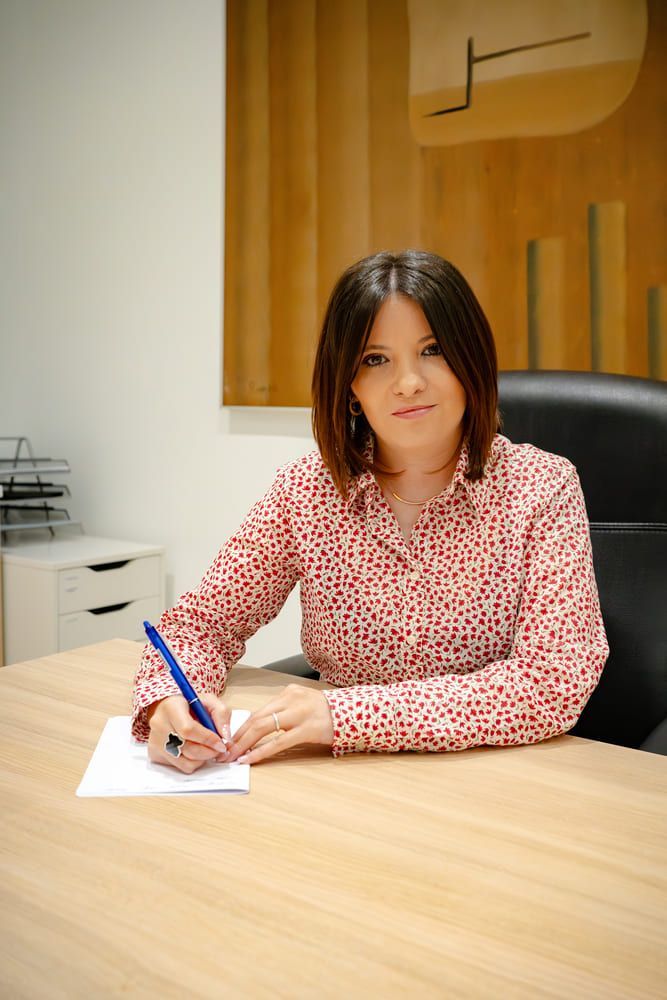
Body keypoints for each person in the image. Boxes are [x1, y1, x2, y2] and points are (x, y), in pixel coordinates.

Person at [131, 250, 609, 770]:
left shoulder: (541, 487)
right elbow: (201, 624)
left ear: (471, 360)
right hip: (342, 785)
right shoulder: (307, 491)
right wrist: (165, 704)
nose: (408, 382)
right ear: (351, 386)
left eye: (433, 350)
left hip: (489, 779)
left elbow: (555, 680)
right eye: (375, 359)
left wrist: (349, 715)